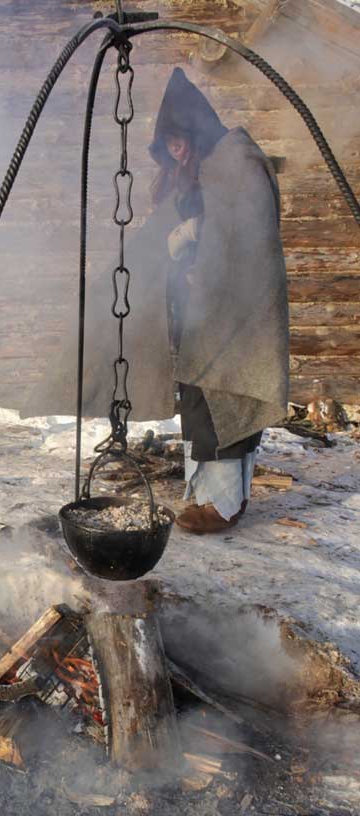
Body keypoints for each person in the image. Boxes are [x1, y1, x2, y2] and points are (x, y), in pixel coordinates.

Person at [22, 68, 289, 534]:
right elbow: (161, 237)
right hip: (201, 311)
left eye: (179, 139)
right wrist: (159, 255)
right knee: (202, 402)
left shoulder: (237, 162)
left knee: (227, 401)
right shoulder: (200, 171)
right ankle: (211, 495)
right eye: (168, 143)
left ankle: (223, 504)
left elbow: (249, 235)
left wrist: (201, 238)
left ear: (196, 132)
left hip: (235, 313)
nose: (175, 149)